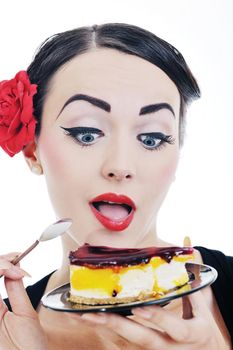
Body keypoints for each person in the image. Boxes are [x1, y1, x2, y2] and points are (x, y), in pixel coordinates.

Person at [0, 23, 232, 349]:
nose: (120, 166)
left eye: (151, 139)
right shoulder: (9, 329)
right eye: (87, 134)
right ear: (31, 150)